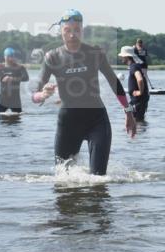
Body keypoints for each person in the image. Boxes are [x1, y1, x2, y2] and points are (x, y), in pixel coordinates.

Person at [31, 9, 136, 175]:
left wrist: (128, 111)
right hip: (68, 123)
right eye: (68, 30)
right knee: (63, 179)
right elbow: (34, 96)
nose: (73, 35)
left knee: (99, 179)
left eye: (77, 30)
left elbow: (113, 82)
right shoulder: (52, 57)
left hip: (97, 120)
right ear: (61, 32)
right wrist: (43, 95)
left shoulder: (95, 53)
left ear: (82, 31)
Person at [0, 47, 29, 113]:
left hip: (15, 100)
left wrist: (12, 79)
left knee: (17, 120)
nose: (10, 58)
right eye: (8, 56)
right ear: (4, 57)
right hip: (3, 99)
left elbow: (26, 78)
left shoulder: (20, 68)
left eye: (12, 56)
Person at [119, 45, 150, 121]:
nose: (121, 58)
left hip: (138, 101)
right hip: (137, 101)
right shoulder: (134, 66)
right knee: (127, 111)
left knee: (135, 120)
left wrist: (140, 92)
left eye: (122, 56)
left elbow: (140, 79)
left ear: (127, 56)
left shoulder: (134, 67)